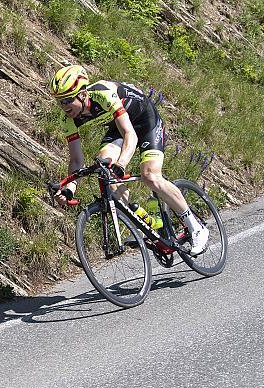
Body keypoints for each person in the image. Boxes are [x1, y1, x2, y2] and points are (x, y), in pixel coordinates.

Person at [48, 64, 209, 255]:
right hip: (119, 127)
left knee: (150, 175)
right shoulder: (67, 119)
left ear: (82, 94)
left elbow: (130, 135)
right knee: (104, 170)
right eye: (60, 102)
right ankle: (145, 219)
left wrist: (121, 164)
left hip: (145, 122)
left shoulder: (103, 93)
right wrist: (70, 188)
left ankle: (196, 227)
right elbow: (76, 160)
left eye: (67, 100)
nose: (64, 107)